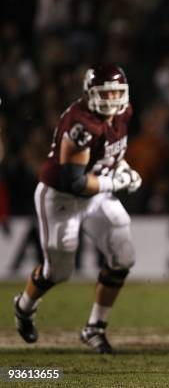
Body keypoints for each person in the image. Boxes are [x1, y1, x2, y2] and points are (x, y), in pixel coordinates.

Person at [13, 64, 141, 354]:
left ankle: (95, 327)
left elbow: (112, 151)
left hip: (97, 192)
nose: (111, 100)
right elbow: (74, 181)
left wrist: (122, 169)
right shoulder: (81, 124)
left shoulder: (124, 112)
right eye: (104, 94)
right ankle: (24, 307)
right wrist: (116, 181)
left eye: (115, 93)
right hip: (61, 197)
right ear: (89, 93)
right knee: (58, 271)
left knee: (123, 256)